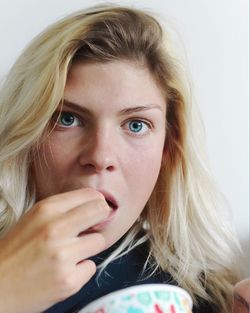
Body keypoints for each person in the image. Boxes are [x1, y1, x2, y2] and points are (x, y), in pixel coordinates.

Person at [0, 4, 241, 313]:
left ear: (168, 149)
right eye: (68, 119)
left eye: (136, 125)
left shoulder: (208, 294)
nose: (100, 157)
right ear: (28, 134)